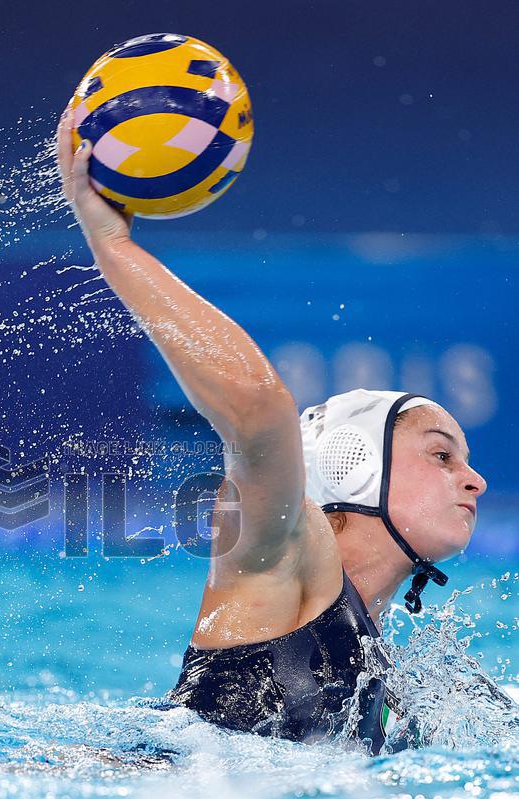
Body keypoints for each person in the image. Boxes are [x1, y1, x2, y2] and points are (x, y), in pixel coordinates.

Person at [56, 107, 487, 754]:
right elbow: (259, 414)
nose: (473, 479)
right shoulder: (288, 551)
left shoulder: (386, 669)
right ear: (353, 464)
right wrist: (112, 245)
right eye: (440, 455)